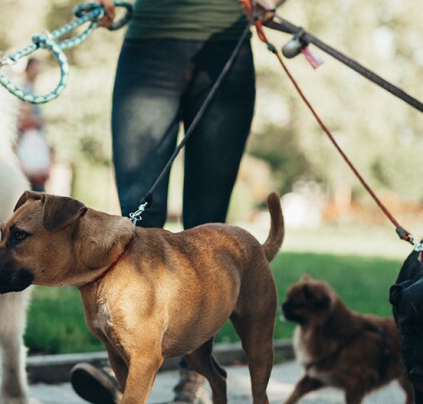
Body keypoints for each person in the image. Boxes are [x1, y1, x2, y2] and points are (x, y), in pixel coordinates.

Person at [69, 0, 281, 403]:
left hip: (225, 41)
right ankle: (129, 373)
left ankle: (194, 377)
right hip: (149, 44)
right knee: (136, 216)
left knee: (208, 224)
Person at [16, 58, 53, 192]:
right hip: (27, 143)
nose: (37, 72)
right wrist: (38, 120)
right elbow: (23, 117)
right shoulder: (24, 89)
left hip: (33, 141)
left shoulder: (32, 88)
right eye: (35, 68)